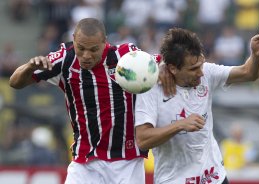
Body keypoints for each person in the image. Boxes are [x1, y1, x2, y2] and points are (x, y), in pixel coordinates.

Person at [9, 18, 170, 184]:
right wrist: (30, 66)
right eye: (81, 48)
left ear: (104, 42)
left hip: (126, 161)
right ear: (73, 40)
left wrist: (163, 66)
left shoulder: (125, 56)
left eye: (94, 49)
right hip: (85, 162)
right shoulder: (64, 59)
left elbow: (161, 63)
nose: (86, 55)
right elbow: (15, 83)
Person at [134, 25, 259, 184]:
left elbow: (248, 73)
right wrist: (179, 125)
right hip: (173, 180)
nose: (201, 72)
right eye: (193, 68)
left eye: (201, 64)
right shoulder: (151, 89)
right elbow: (142, 139)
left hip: (214, 177)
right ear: (173, 68)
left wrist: (255, 56)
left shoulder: (206, 73)